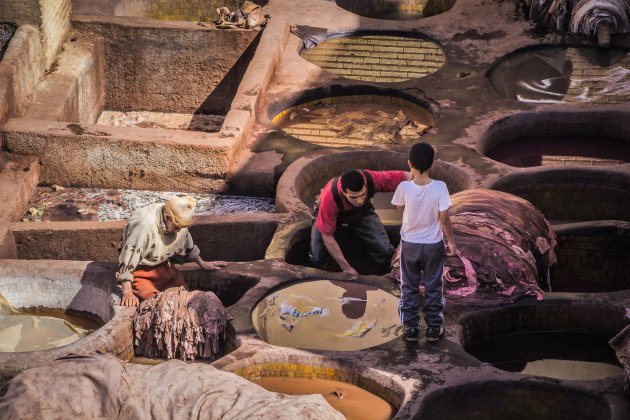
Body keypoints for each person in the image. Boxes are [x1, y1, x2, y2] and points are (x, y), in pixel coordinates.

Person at [391, 142, 457, 342]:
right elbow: (444, 218)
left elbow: (400, 208)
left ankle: (411, 328)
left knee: (408, 285)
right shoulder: (440, 187)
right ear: (432, 164)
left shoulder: (403, 187)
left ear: (409, 163)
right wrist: (451, 242)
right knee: (433, 285)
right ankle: (433, 329)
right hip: (433, 245)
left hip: (409, 244)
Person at [116, 195, 227, 307]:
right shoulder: (144, 226)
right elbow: (128, 257)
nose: (178, 230)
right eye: (176, 227)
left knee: (185, 298)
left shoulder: (177, 218)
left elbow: (186, 240)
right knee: (160, 305)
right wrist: (127, 292)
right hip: (139, 270)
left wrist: (202, 263)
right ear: (167, 217)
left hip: (163, 265)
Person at [310, 168, 409, 276]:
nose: (360, 200)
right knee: (317, 256)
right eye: (353, 197)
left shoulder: (372, 179)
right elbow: (327, 236)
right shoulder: (329, 198)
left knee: (383, 249)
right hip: (329, 214)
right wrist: (346, 268)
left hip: (361, 213)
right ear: (343, 192)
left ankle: (389, 274)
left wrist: (426, 187)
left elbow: (404, 176)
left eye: (363, 194)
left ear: (365, 185)